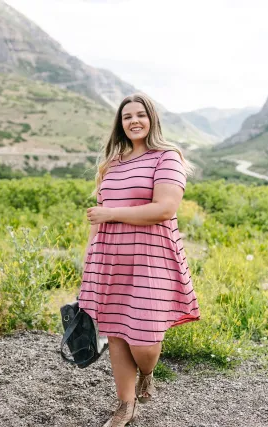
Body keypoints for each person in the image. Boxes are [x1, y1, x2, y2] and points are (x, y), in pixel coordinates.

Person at [78, 93, 201, 426]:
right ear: (120, 123)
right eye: (127, 116)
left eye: (140, 114)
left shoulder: (167, 157)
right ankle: (125, 405)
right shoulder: (111, 164)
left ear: (152, 119)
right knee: (116, 332)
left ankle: (147, 371)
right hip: (110, 259)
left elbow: (164, 209)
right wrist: (90, 261)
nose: (134, 121)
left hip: (152, 261)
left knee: (145, 340)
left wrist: (110, 212)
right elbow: (99, 221)